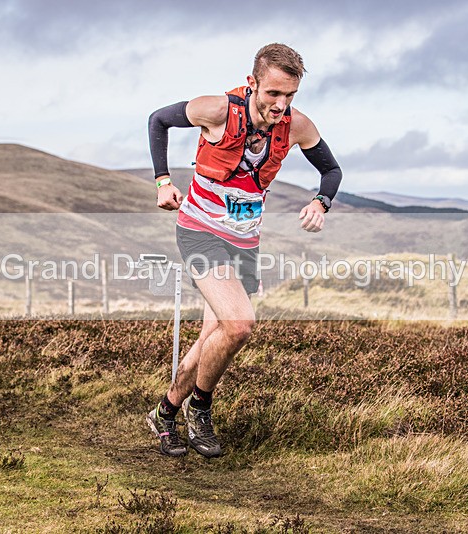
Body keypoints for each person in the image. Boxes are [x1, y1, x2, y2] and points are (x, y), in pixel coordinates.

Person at [146, 43, 342, 457]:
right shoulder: (217, 110)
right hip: (200, 231)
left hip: (244, 241)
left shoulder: (297, 126)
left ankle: (165, 414)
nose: (281, 104)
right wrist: (163, 181)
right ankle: (200, 410)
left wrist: (320, 201)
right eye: (273, 94)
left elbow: (331, 170)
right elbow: (158, 120)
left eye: (289, 95)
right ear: (253, 82)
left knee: (210, 340)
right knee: (239, 325)